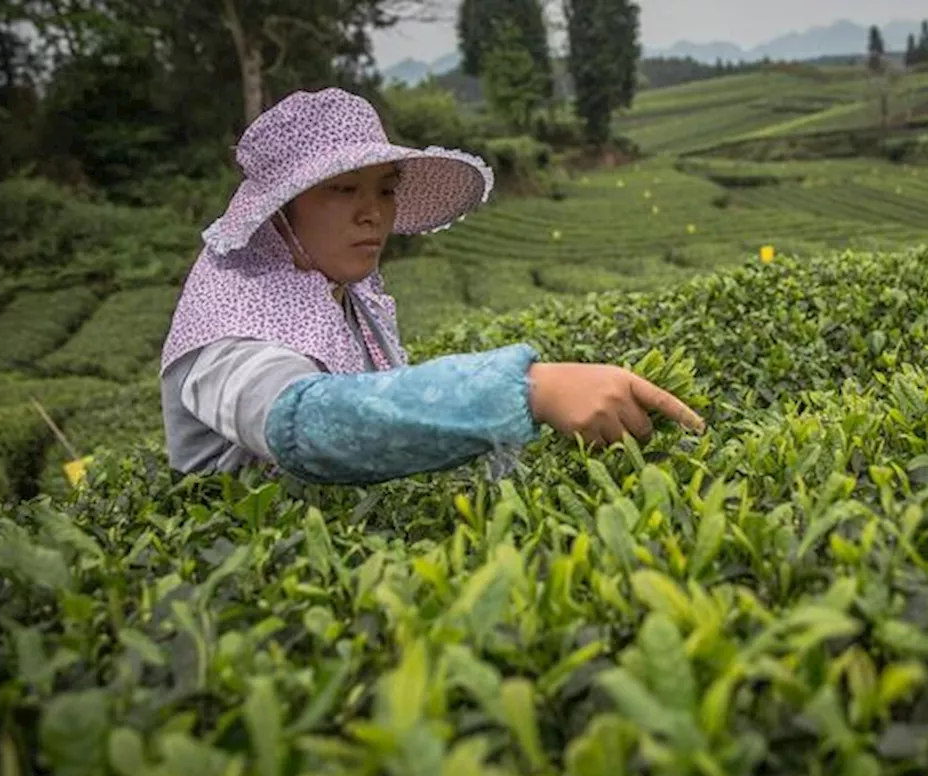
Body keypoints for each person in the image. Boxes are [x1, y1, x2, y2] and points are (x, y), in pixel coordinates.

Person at [159, 87, 705, 486]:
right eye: (344, 188)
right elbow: (305, 424)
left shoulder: (336, 293)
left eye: (385, 189)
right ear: (279, 212)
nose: (373, 213)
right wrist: (526, 389)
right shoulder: (228, 319)